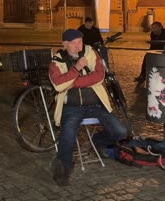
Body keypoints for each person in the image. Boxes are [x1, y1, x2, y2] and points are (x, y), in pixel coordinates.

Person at [49, 29, 127, 186]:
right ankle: (63, 168)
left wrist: (73, 83)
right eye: (73, 43)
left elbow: (99, 76)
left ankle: (98, 140)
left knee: (121, 132)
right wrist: (77, 68)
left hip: (96, 104)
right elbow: (58, 85)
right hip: (72, 107)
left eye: (80, 42)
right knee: (68, 134)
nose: (78, 46)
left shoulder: (90, 52)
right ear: (64, 44)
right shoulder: (56, 62)